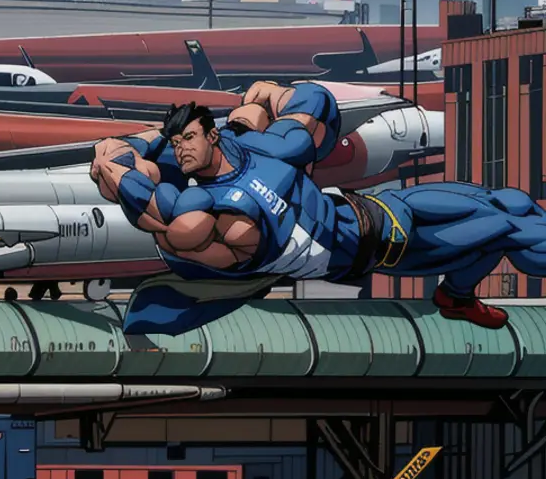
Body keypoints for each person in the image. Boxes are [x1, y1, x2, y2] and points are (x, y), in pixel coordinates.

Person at [89, 80, 546, 336]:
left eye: (189, 137)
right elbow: (154, 211)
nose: (183, 150)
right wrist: (122, 155)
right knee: (509, 227)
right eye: (174, 144)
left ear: (212, 134)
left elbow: (308, 100)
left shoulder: (256, 145)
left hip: (380, 207)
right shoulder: (209, 210)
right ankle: (456, 294)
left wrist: (265, 96)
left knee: (509, 202)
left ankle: (456, 297)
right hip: (389, 248)